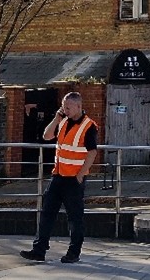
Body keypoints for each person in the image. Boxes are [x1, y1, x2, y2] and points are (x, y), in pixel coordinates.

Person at [20, 92, 99, 264]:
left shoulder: (89, 126)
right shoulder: (62, 121)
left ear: (79, 106)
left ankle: (74, 252)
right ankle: (39, 250)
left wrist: (80, 175)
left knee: (75, 218)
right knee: (47, 213)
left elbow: (92, 152)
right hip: (58, 176)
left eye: (68, 107)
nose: (65, 110)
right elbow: (46, 136)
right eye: (64, 106)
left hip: (74, 179)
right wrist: (56, 118)